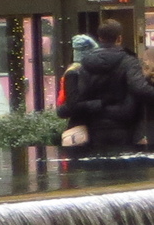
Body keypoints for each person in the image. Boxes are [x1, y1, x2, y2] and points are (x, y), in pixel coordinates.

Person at [59, 23, 153, 155]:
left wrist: (96, 105)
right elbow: (139, 88)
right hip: (123, 123)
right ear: (119, 38)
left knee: (97, 166)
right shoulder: (128, 61)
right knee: (122, 168)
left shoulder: (84, 63)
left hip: (93, 124)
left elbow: (78, 97)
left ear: (100, 38)